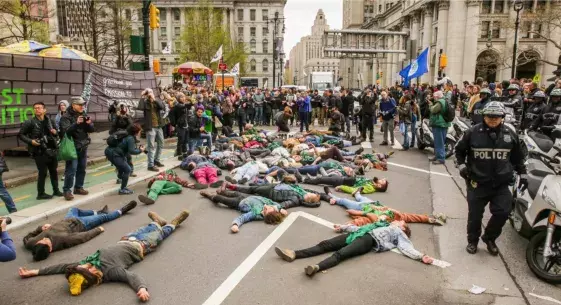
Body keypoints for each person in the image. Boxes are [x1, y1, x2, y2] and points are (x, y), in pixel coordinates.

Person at [18, 210, 190, 302]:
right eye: (83, 268)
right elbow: (131, 276)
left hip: (125, 240)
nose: (82, 264)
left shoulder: (87, 264)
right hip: (142, 245)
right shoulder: (110, 272)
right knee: (160, 234)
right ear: (90, 272)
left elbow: (60, 267)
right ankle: (173, 223)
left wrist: (36, 272)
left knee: (144, 229)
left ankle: (156, 222)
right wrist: (141, 289)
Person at [455, 102, 528, 256]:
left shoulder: (510, 134)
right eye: (490, 116)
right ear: (484, 116)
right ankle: (472, 241)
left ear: (503, 117)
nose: (493, 119)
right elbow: (459, 151)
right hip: (477, 182)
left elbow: (517, 158)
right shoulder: (472, 133)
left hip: (500, 183)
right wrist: (462, 166)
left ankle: (489, 238)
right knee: (475, 216)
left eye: (497, 117)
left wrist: (523, 174)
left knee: (503, 212)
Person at [274, 220, 435, 277]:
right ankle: (294, 253)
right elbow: (361, 227)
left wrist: (421, 256)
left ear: (403, 228)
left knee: (341, 254)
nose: (398, 221)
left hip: (369, 240)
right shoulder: (382, 223)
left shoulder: (398, 232)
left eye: (401, 222)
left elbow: (406, 247)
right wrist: (343, 227)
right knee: (325, 244)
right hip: (358, 234)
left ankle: (317, 267)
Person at [23, 201, 137, 261]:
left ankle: (99, 212)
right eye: (46, 241)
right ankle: (121, 211)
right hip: (82, 224)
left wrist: (40, 228)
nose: (44, 238)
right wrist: (98, 230)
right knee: (104, 218)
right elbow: (83, 237)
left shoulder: (31, 244)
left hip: (68, 218)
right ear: (51, 248)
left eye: (41, 240)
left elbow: (27, 237)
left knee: (73, 209)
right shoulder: (63, 240)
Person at [18, 102, 62, 200]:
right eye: (35, 108)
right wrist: (31, 141)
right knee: (42, 173)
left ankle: (56, 190)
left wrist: (55, 133)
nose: (37, 109)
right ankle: (41, 193)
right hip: (39, 151)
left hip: (52, 150)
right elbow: (21, 135)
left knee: (53, 171)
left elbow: (57, 134)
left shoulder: (50, 121)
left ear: (44, 110)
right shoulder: (29, 122)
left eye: (39, 108)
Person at [59, 97, 94, 201]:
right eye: (80, 105)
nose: (82, 106)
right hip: (72, 146)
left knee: (82, 168)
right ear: (73, 105)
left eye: (83, 105)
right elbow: (66, 132)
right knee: (71, 169)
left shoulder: (82, 114)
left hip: (83, 145)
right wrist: (76, 123)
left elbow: (91, 129)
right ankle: (67, 190)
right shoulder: (65, 117)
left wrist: (89, 124)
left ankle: (78, 187)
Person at [200, 192, 287, 233]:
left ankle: (211, 196)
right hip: (247, 197)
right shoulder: (273, 206)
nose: (267, 206)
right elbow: (276, 204)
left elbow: (243, 218)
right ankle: (222, 191)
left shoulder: (255, 213)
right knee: (232, 193)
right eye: (270, 207)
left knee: (221, 199)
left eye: (266, 210)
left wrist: (235, 225)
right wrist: (281, 209)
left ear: (265, 215)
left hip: (239, 203)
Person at [105, 124, 145, 194]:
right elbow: (132, 151)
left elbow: (128, 148)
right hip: (115, 154)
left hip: (112, 152)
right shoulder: (130, 138)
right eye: (139, 131)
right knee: (127, 169)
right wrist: (140, 150)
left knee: (124, 164)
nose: (140, 132)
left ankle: (120, 178)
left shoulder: (127, 136)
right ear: (136, 132)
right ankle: (122, 189)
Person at [219, 182, 323, 208]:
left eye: (312, 194)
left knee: (252, 189)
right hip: (274, 186)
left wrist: (274, 207)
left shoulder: (297, 199)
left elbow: (284, 205)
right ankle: (229, 187)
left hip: (271, 193)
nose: (311, 192)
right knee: (254, 187)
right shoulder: (303, 191)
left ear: (309, 198)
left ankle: (228, 187)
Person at [138, 88, 166, 172]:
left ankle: (156, 160)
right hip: (150, 127)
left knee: (161, 144)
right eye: (148, 93)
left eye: (151, 92)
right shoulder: (145, 102)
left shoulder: (156, 101)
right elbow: (140, 107)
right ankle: (150, 165)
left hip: (158, 126)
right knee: (151, 146)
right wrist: (142, 96)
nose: (150, 94)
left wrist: (154, 99)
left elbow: (162, 107)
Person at [428, 91, 450, 165]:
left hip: (439, 124)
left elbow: (433, 110)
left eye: (434, 96)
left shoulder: (440, 102)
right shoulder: (444, 101)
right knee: (439, 141)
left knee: (439, 142)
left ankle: (440, 158)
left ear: (437, 96)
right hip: (443, 124)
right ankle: (438, 156)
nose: (433, 98)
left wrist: (430, 105)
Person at [304, 176, 389, 194]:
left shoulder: (370, 188)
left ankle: (303, 180)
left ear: (380, 186)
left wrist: (341, 187)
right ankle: (310, 179)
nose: (381, 179)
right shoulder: (372, 183)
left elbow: (354, 190)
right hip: (345, 178)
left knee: (321, 179)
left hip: (342, 181)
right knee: (323, 178)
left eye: (382, 181)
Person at [171, 92, 192, 160]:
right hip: (180, 126)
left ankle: (184, 153)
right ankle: (179, 155)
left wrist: (191, 102)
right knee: (181, 141)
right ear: (178, 98)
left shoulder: (184, 105)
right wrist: (175, 124)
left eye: (183, 97)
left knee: (185, 141)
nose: (183, 98)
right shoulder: (178, 105)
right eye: (181, 97)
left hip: (186, 125)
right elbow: (184, 106)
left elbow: (188, 106)